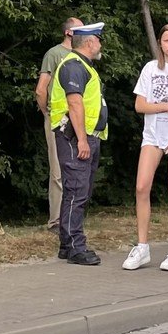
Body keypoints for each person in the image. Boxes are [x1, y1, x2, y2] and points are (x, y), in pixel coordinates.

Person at [123, 24, 168, 271]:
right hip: (152, 136)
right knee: (141, 186)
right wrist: (166, 107)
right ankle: (142, 247)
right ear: (160, 43)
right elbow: (140, 105)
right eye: (166, 41)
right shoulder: (151, 68)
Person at [49, 22, 108, 265]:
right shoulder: (74, 66)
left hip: (84, 136)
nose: (100, 44)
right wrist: (82, 139)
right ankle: (75, 247)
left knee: (77, 191)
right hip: (75, 137)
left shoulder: (83, 66)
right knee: (76, 191)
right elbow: (75, 104)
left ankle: (67, 244)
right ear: (90, 42)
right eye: (99, 40)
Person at [34, 17, 82, 232]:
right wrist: (47, 112)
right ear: (69, 32)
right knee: (58, 169)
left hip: (79, 117)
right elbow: (40, 88)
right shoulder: (54, 54)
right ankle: (55, 221)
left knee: (76, 168)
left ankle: (71, 219)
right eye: (80, 29)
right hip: (58, 117)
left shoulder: (81, 56)